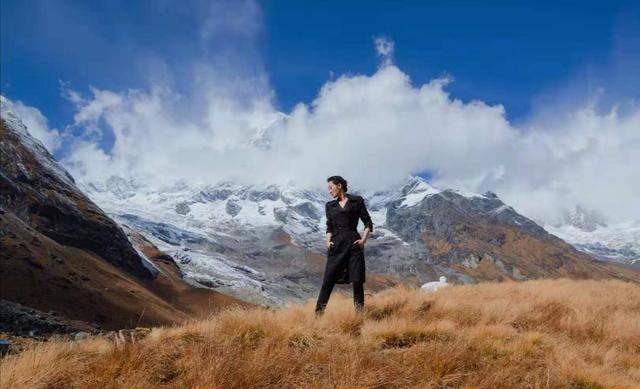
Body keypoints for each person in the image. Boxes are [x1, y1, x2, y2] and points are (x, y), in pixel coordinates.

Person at [315, 175, 373, 317]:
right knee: (328, 281)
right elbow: (329, 227)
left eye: (331, 187)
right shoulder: (330, 206)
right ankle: (317, 316)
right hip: (336, 246)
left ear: (339, 185)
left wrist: (363, 240)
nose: (329, 191)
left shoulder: (356, 201)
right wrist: (328, 242)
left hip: (354, 245)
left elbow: (368, 222)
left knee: (357, 281)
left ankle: (359, 316)